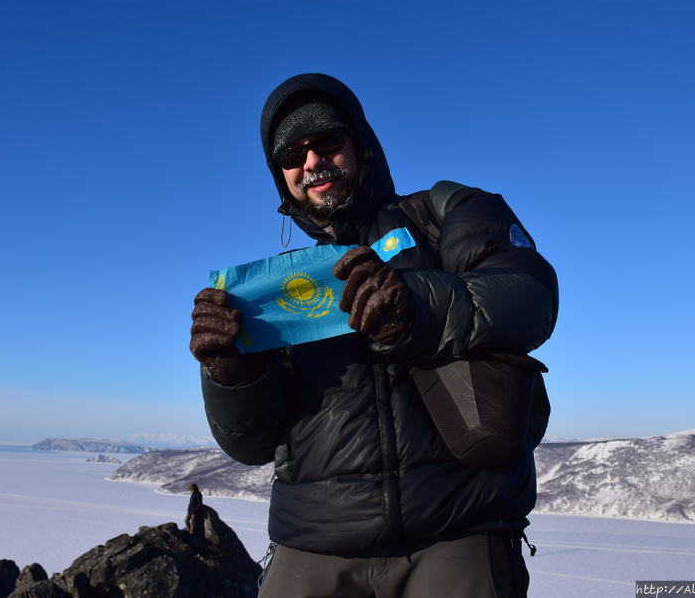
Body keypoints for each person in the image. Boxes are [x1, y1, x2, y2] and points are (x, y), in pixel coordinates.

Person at [189, 73, 558, 597]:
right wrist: (230, 374)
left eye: (326, 142)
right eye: (292, 155)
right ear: (281, 177)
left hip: (458, 533)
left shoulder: (445, 213)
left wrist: (415, 308)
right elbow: (249, 444)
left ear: (360, 147)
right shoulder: (278, 290)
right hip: (313, 546)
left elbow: (529, 295)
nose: (311, 162)